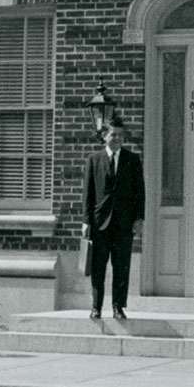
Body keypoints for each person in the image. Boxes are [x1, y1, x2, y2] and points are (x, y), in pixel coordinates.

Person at [82, 115, 145, 319]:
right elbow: (88, 194)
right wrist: (86, 221)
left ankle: (118, 307)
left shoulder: (132, 160)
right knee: (98, 268)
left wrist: (139, 218)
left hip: (123, 223)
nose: (117, 138)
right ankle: (96, 307)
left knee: (121, 267)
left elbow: (139, 192)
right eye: (113, 134)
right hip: (100, 223)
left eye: (120, 135)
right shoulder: (94, 160)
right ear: (104, 136)